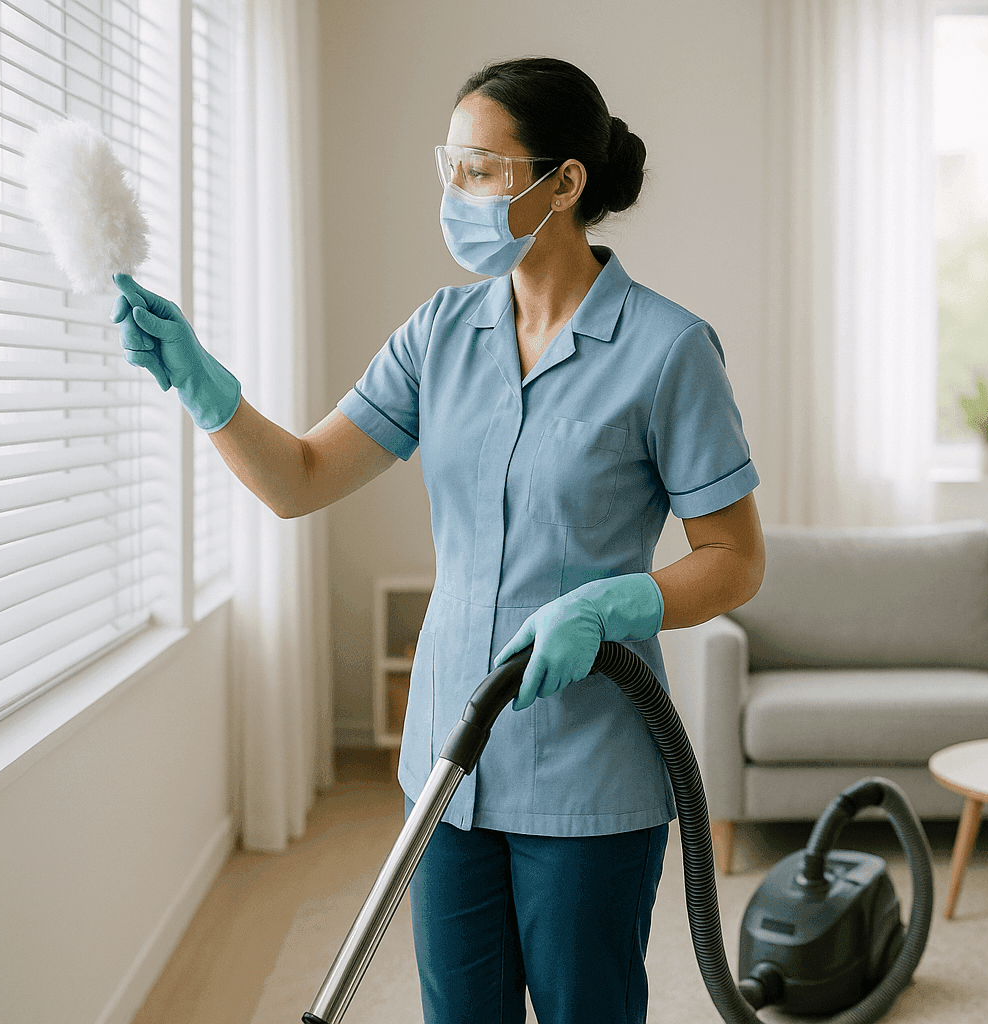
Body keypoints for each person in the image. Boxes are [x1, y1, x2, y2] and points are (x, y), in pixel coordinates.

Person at [111, 55, 764, 1024]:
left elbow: (735, 559)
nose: (454, 193)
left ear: (564, 182)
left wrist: (614, 601)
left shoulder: (667, 349)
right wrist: (206, 387)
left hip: (589, 766)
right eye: (448, 167)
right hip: (448, 759)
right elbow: (300, 479)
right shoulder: (439, 333)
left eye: (481, 170)